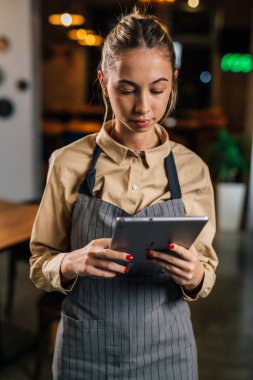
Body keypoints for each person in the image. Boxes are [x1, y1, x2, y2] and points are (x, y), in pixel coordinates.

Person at [30, 7, 218, 380]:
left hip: (169, 351)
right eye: (127, 89)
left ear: (174, 82)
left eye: (158, 89)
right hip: (84, 350)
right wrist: (71, 262)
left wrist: (195, 275)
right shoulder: (68, 163)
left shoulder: (193, 169)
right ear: (103, 83)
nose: (143, 107)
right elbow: (40, 264)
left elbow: (206, 270)